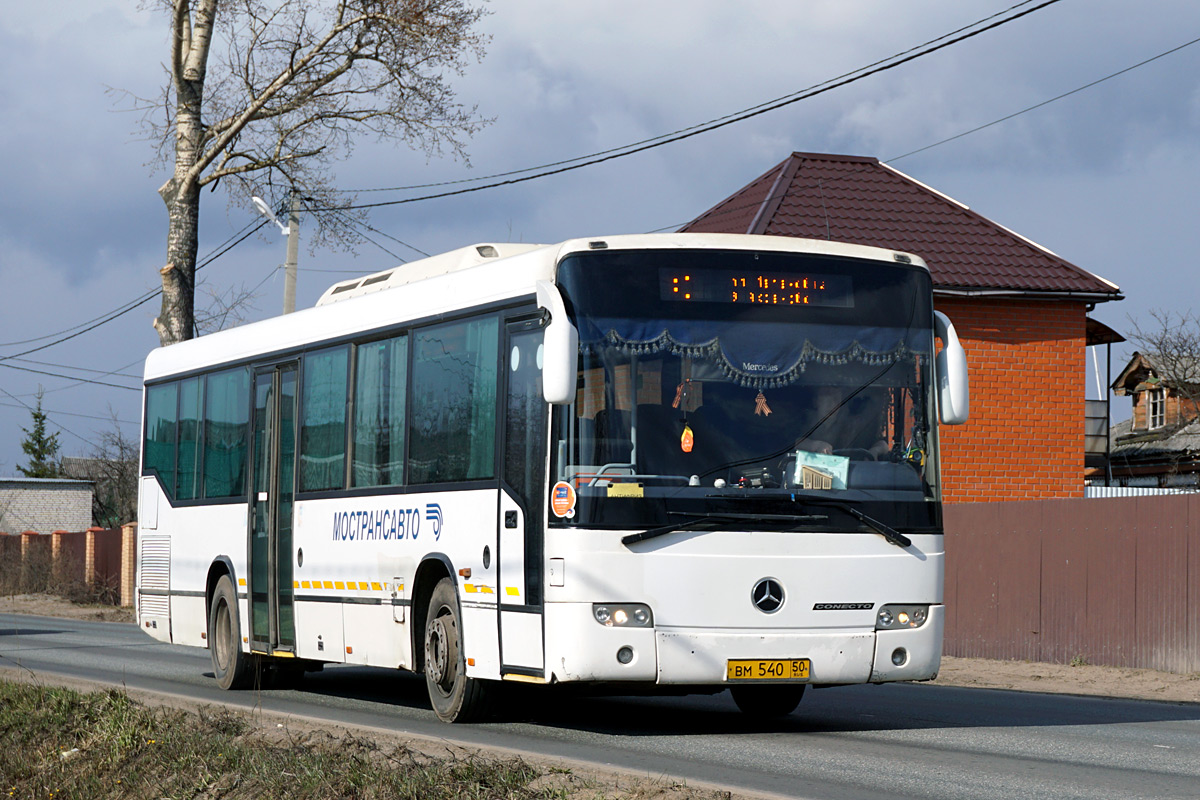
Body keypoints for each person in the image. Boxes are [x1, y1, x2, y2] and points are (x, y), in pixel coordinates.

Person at [793, 384, 889, 460]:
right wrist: (815, 445)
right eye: (826, 395)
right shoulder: (805, 421)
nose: (832, 402)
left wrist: (875, 451)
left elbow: (883, 444)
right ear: (816, 401)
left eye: (836, 397)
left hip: (850, 480)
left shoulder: (851, 425)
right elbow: (791, 443)